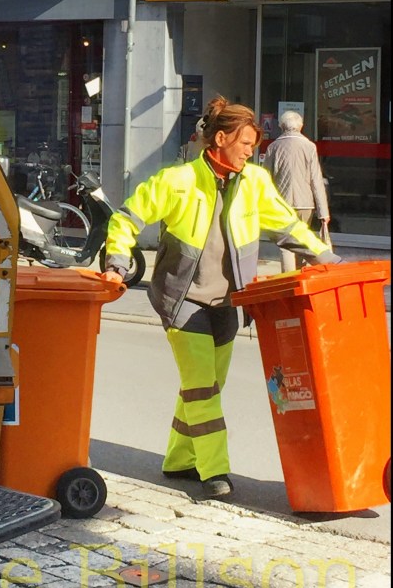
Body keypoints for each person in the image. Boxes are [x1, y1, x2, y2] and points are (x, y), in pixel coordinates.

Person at [101, 95, 341, 499]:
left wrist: (325, 256)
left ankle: (178, 459)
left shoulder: (255, 183)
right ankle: (214, 471)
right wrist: (117, 263)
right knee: (202, 387)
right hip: (183, 300)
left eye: (254, 145)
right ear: (221, 139)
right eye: (246, 143)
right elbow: (125, 217)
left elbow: (287, 226)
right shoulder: (177, 180)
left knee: (207, 385)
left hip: (231, 302)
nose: (252, 151)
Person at [262, 110, 330, 272]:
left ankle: (288, 278)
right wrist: (323, 212)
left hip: (282, 204)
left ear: (280, 126)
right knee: (301, 239)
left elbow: (265, 179)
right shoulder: (309, 147)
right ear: (301, 126)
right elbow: (316, 180)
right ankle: (300, 274)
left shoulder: (273, 147)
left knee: (286, 244)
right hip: (305, 204)